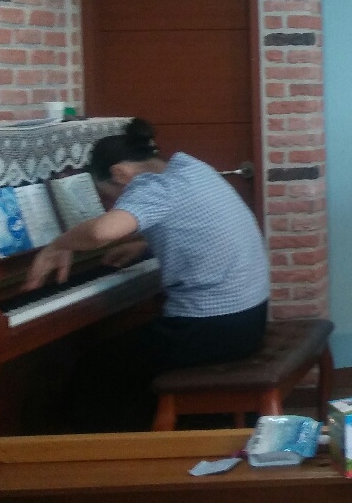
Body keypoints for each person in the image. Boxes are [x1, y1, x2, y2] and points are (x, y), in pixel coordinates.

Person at [24, 117, 270, 430]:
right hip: (249, 318)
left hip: (213, 328)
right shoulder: (190, 168)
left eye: (109, 197)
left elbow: (101, 232)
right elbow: (193, 230)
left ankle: (109, 451)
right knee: (125, 356)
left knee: (94, 367)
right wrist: (145, 248)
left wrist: (58, 244)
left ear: (120, 173)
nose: (113, 205)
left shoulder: (152, 187)